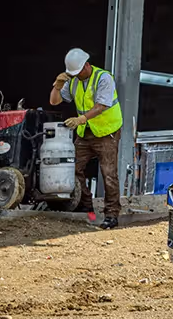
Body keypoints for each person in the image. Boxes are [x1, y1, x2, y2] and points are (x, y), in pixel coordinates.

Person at [50, 48, 124, 229]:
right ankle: (86, 207)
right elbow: (54, 101)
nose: (77, 75)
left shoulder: (103, 78)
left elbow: (101, 105)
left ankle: (111, 214)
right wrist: (57, 86)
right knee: (72, 167)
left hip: (107, 132)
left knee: (109, 174)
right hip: (85, 133)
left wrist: (81, 119)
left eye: (78, 71)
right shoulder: (74, 80)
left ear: (87, 65)